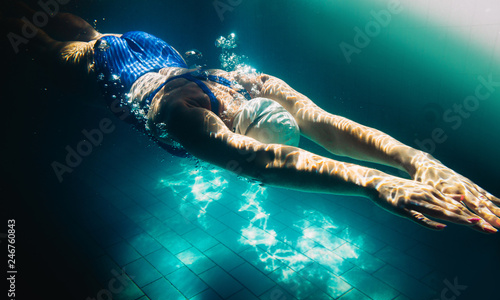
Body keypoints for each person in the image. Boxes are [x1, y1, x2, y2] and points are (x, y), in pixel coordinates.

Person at [4, 7, 500, 234]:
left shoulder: (248, 84)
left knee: (86, 35)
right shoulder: (188, 117)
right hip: (131, 66)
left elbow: (323, 128)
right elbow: (262, 161)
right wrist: (377, 183)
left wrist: (418, 161)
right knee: (53, 49)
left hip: (156, 56)